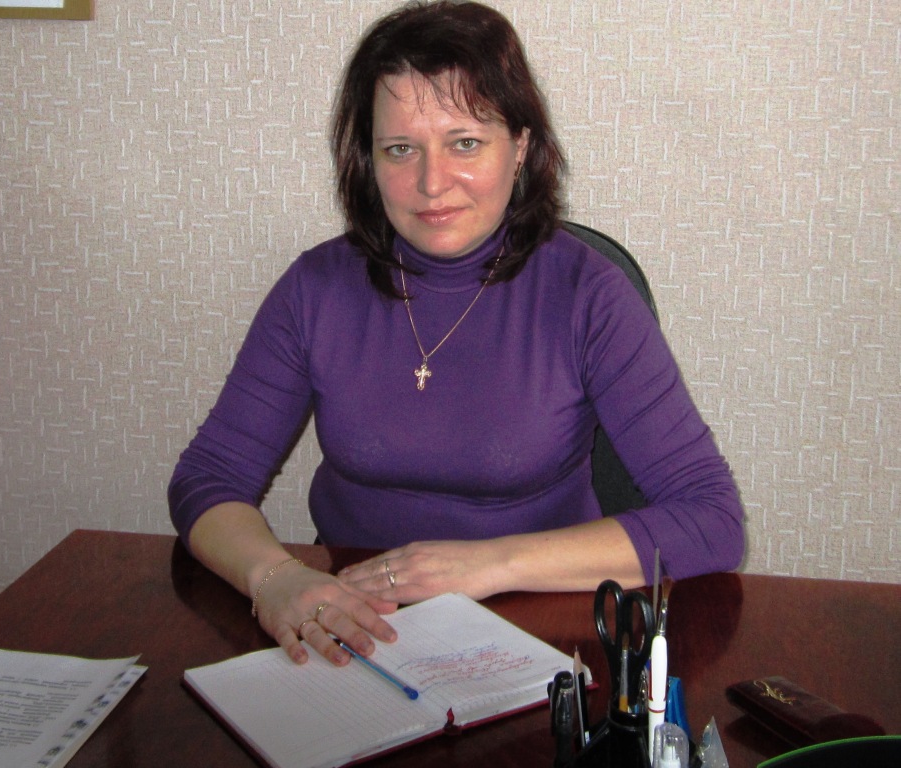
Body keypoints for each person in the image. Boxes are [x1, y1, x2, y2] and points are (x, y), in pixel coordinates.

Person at [168, 0, 744, 667]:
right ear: (367, 158)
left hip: (540, 628)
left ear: (520, 147)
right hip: (355, 630)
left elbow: (711, 519)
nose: (431, 183)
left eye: (464, 142)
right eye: (400, 149)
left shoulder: (588, 295)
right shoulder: (316, 289)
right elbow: (208, 478)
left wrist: (489, 564)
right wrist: (276, 578)